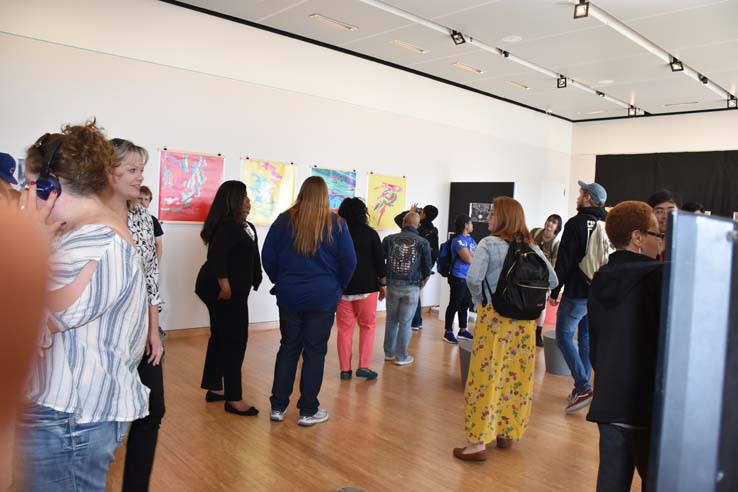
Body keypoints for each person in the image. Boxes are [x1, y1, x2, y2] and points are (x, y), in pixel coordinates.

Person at [15, 122, 149, 491]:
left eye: (29, 184)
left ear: (50, 186)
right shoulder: (82, 235)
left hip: (69, 417)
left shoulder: (93, 245)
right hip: (70, 412)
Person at [454, 197, 557, 461]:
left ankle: (477, 443)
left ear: (502, 218)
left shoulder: (489, 244)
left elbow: (473, 278)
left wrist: (482, 303)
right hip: (523, 326)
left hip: (495, 322)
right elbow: (553, 280)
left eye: (492, 214)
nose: (488, 219)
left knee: (486, 378)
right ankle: (506, 432)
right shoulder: (532, 246)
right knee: (516, 377)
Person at [263, 176, 356, 426]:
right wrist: (337, 288)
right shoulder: (336, 223)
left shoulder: (285, 219)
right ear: (325, 196)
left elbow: (268, 256)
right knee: (315, 352)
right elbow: (349, 262)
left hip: (290, 295)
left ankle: (278, 407)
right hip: (323, 296)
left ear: (302, 193)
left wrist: (281, 280)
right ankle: (307, 410)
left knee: (288, 347)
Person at [586, 201, 664, 491]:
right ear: (637, 237)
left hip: (609, 400)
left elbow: (595, 342)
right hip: (646, 404)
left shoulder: (600, 278)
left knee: (610, 482)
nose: (660, 242)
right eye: (657, 234)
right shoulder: (658, 278)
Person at [106, 138, 164, 492]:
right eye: (132, 169)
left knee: (152, 411)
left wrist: (154, 329)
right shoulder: (85, 214)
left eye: (141, 170)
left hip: (142, 328)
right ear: (106, 171)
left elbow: (150, 276)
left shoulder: (141, 214)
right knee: (107, 420)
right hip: (106, 334)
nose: (140, 178)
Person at [196, 180, 262, 416]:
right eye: (244, 196)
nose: (248, 200)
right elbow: (217, 258)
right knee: (235, 340)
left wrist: (255, 278)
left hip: (231, 292)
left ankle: (215, 387)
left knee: (222, 337)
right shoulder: (227, 227)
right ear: (233, 200)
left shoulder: (244, 226)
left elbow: (250, 256)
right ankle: (233, 398)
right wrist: (225, 287)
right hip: (222, 292)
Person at [550, 180, 608, 413]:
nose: (578, 196)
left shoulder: (575, 223)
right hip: (597, 292)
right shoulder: (606, 223)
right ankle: (581, 388)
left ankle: (583, 386)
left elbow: (565, 261)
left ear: (588, 199)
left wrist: (555, 289)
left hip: (576, 291)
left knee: (564, 336)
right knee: (584, 338)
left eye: (581, 193)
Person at [336, 197, 387, 380]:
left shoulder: (337, 232)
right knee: (367, 327)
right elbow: (380, 263)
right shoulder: (370, 233)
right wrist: (383, 284)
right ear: (362, 213)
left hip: (342, 288)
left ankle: (344, 369)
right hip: (367, 287)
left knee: (344, 329)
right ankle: (364, 366)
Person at [382, 211, 432, 366]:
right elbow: (427, 267)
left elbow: (380, 262)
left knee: (391, 320)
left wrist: (382, 282)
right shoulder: (423, 242)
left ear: (403, 223)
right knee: (405, 322)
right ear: (418, 225)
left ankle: (389, 353)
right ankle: (401, 356)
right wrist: (422, 284)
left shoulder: (389, 240)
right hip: (412, 287)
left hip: (392, 284)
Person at [394, 203, 439, 330]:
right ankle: (416, 321)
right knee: (415, 293)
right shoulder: (434, 230)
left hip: (411, 265)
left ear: (423, 214)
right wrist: (429, 269)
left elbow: (398, 219)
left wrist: (410, 212)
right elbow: (435, 251)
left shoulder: (417, 227)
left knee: (410, 294)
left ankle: (412, 321)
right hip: (424, 266)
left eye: (422, 211)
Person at [442, 214, 476, 344]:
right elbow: (468, 258)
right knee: (455, 304)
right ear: (466, 225)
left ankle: (462, 330)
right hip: (458, 277)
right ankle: (448, 331)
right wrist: (471, 255)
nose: (473, 225)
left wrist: (471, 255)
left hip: (468, 277)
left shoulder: (471, 240)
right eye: (471, 223)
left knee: (465, 304)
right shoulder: (458, 240)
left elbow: (477, 255)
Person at [530, 214, 562, 346]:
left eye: (553, 223)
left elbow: (554, 265)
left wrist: (550, 285)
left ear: (557, 228)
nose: (549, 224)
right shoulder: (535, 232)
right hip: (527, 273)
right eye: (549, 220)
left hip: (543, 278)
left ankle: (538, 333)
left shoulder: (555, 243)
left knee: (541, 305)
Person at [138, 185, 164, 261]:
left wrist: (156, 266)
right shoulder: (126, 218)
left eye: (146, 199)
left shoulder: (153, 221)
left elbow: (159, 245)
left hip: (148, 264)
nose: (143, 202)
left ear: (149, 202)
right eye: (140, 198)